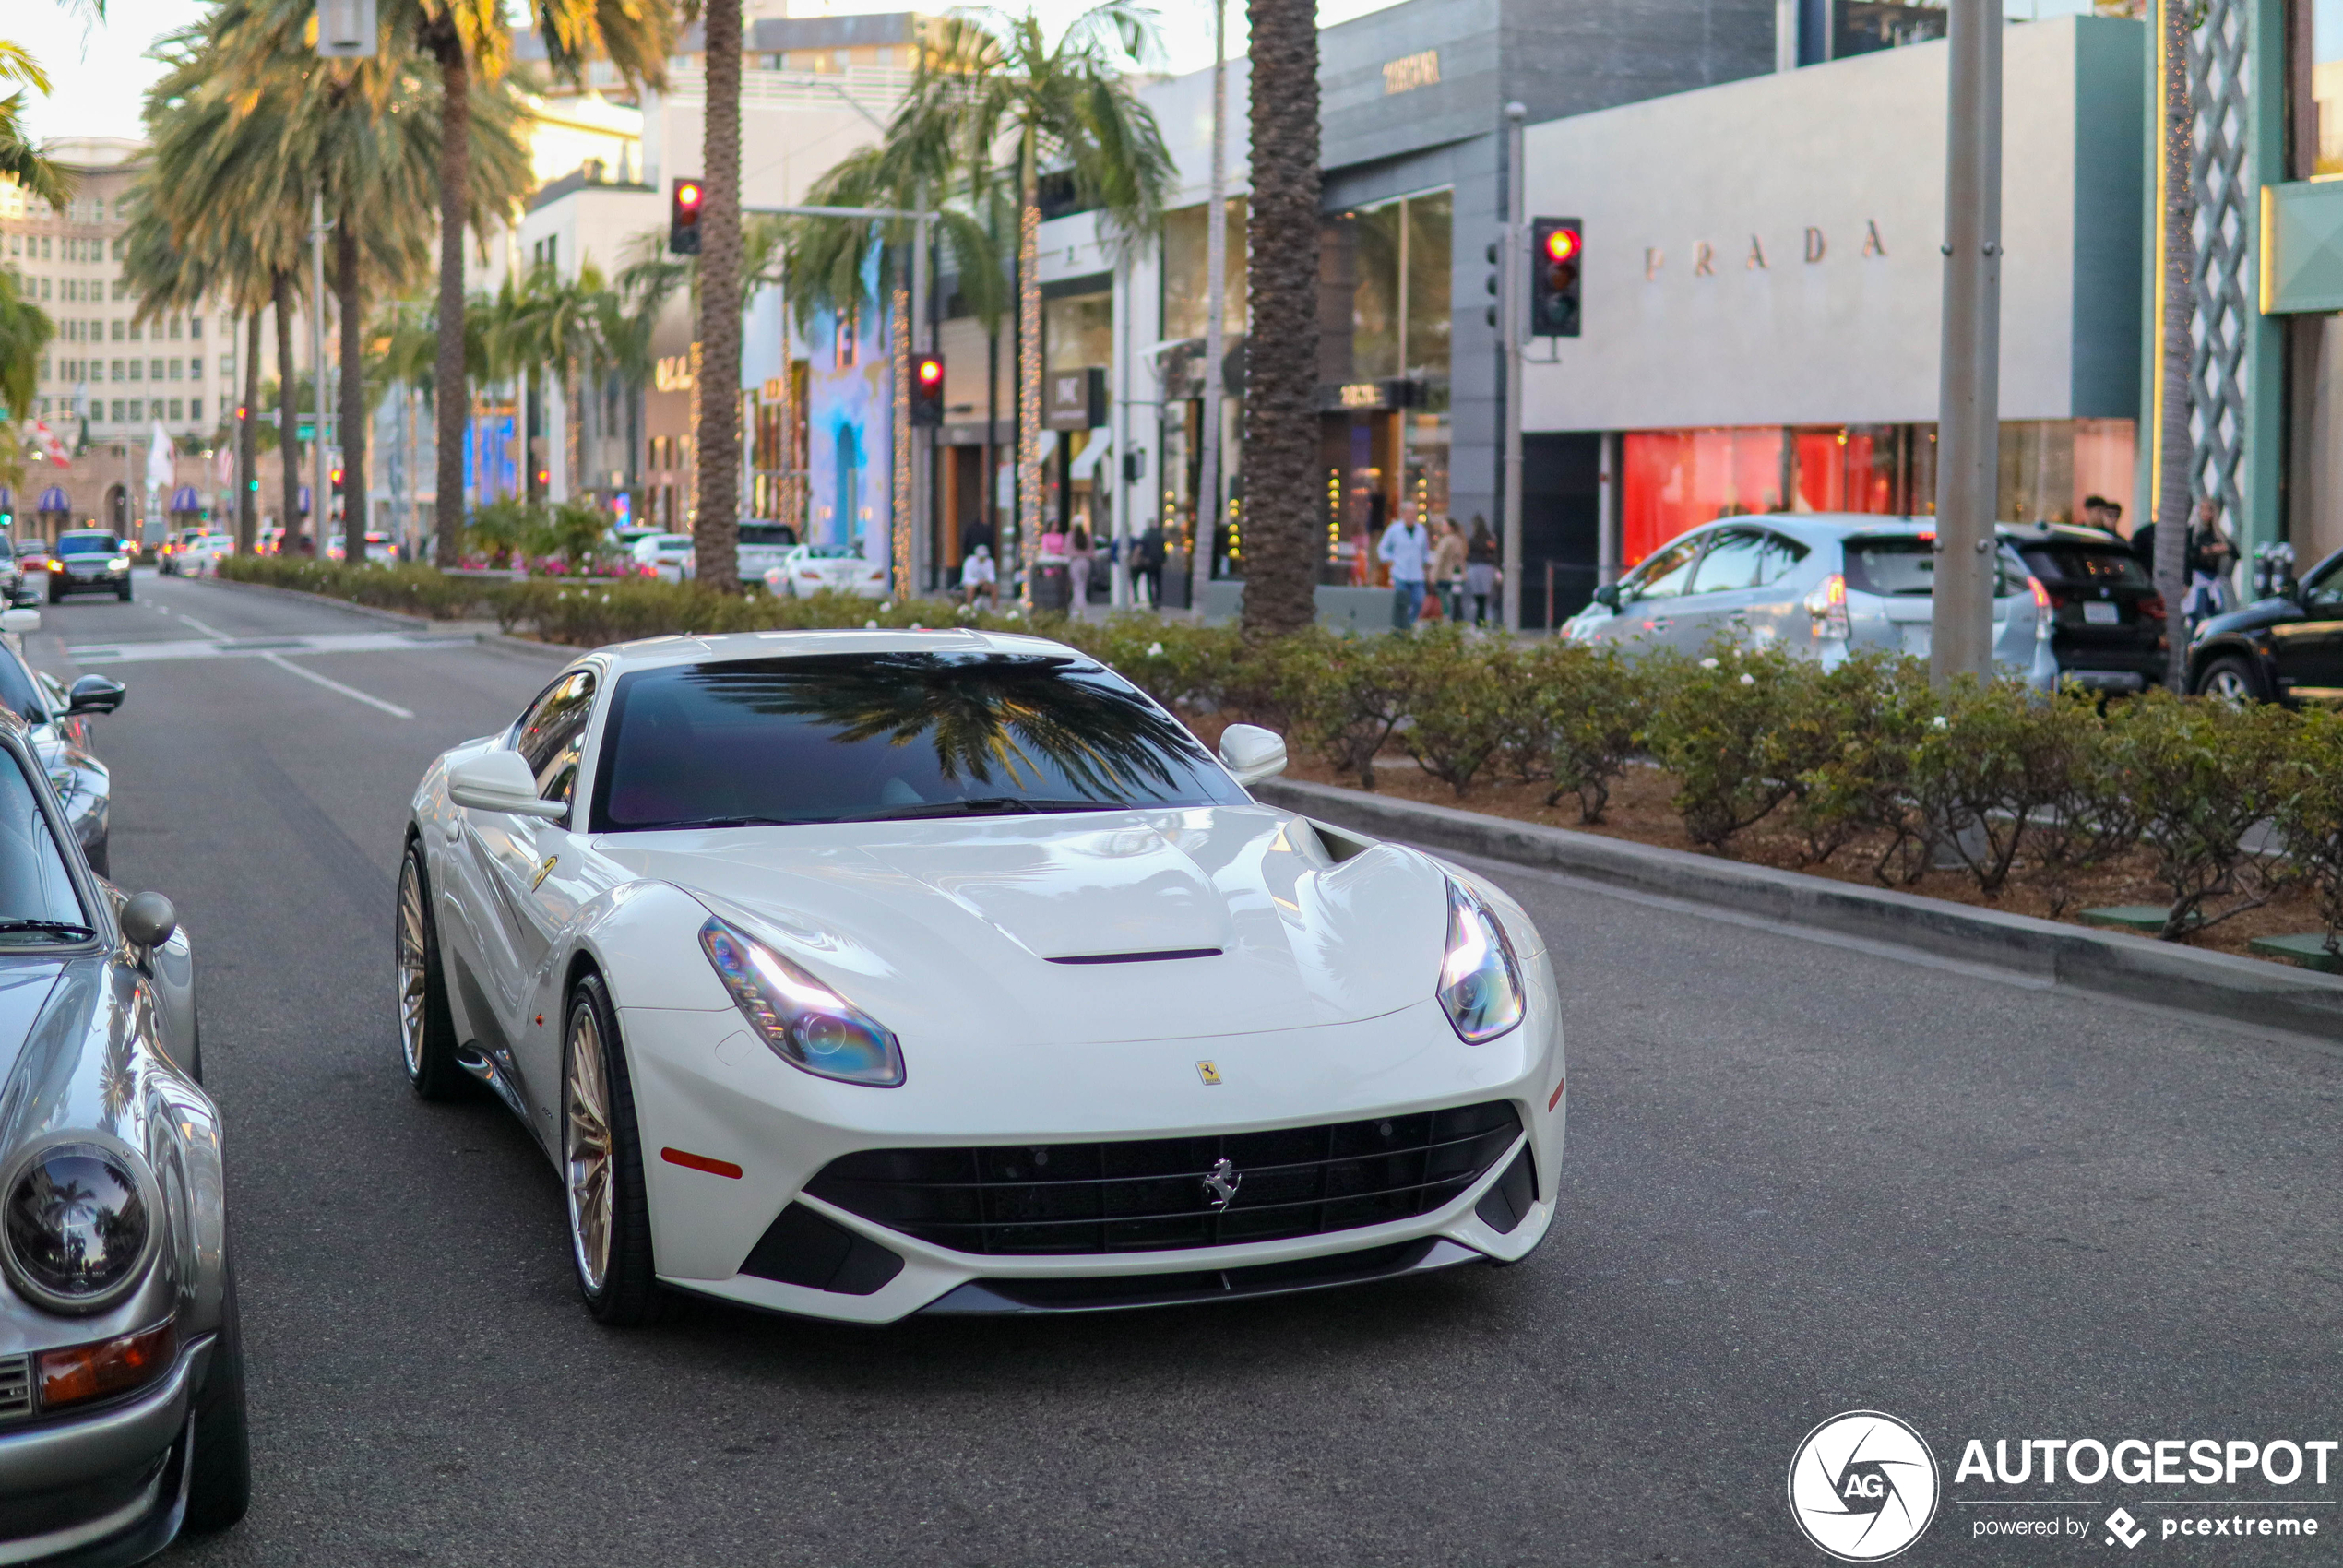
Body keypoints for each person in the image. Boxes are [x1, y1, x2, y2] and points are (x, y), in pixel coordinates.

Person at [1378, 510, 1433, 629]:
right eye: (1408, 514)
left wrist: (1426, 563)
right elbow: (1383, 548)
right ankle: (1400, 627)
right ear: (1403, 515)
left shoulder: (1421, 531)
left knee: (1418, 600)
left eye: (1413, 514)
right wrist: (1390, 560)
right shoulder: (1394, 530)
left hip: (1417, 574)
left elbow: (1425, 550)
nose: (1411, 517)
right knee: (1401, 602)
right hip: (1400, 573)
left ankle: (1411, 623)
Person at [1464, 517, 1500, 626]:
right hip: (1485, 567)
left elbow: (1491, 550)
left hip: (1479, 567)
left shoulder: (1476, 538)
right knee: (1483, 596)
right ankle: (1483, 621)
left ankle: (1481, 620)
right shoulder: (1489, 537)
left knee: (1480, 597)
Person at [1432, 517, 1468, 623]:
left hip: (1444, 576)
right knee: (1455, 601)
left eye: (1444, 525)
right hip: (1456, 576)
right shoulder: (1459, 540)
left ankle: (1447, 621)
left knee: (1446, 603)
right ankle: (1455, 622)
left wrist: (1433, 574)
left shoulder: (1447, 540)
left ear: (1450, 528)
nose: (1442, 528)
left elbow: (1440, 558)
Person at [1133, 521, 1165, 610]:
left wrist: (1144, 558)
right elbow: (1163, 548)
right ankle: (1158, 600)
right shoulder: (1160, 536)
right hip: (1158, 562)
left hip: (1149, 562)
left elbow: (1142, 547)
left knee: (1150, 581)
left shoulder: (1146, 535)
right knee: (1158, 582)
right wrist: (1163, 559)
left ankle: (1152, 600)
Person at [1068, 524, 1095, 619]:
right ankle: (1081, 603)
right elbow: (1092, 551)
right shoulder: (1087, 536)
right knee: (1083, 584)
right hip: (1085, 561)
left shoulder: (1070, 536)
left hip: (1075, 561)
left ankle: (1079, 605)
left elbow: (1067, 550)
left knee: (1077, 584)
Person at [961, 542, 997, 609]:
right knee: (971, 588)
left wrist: (986, 582)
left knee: (994, 587)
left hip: (984, 584)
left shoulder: (990, 562)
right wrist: (977, 581)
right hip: (971, 583)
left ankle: (994, 609)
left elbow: (992, 577)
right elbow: (966, 578)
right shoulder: (969, 561)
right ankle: (969, 608)